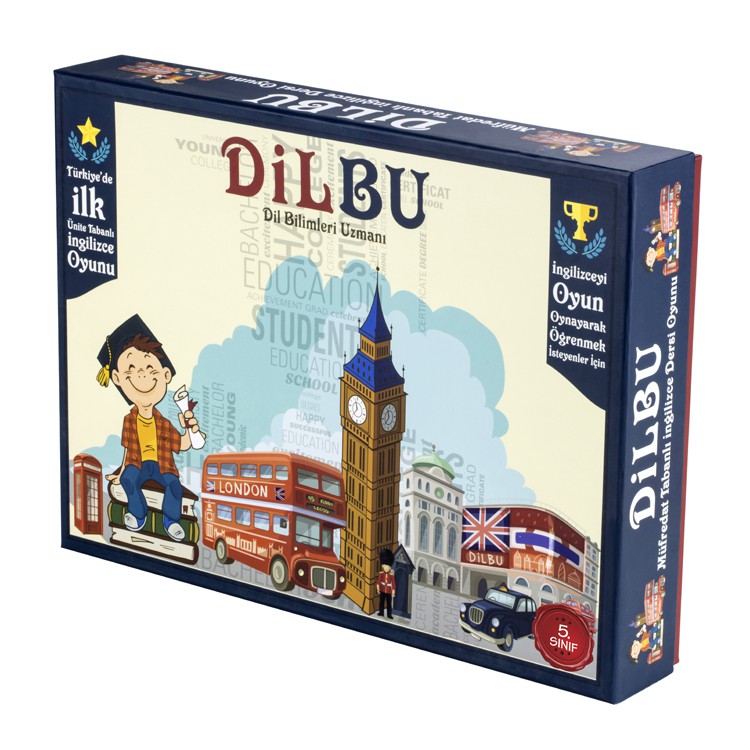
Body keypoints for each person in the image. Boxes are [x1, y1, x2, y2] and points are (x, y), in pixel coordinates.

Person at [97, 315, 202, 542]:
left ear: (165, 375)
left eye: (149, 368)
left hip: (162, 465)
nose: (142, 375)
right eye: (131, 370)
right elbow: (127, 451)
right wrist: (120, 472)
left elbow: (182, 444)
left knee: (174, 485)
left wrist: (190, 431)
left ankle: (171, 521)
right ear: (117, 378)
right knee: (128, 480)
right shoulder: (129, 420)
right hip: (137, 464)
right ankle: (138, 514)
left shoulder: (163, 423)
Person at [377, 549, 396, 619]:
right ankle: (381, 612)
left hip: (388, 591)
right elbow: (378, 582)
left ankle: (389, 614)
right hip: (382, 590)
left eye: (388, 567)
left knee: (389, 603)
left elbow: (393, 584)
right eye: (385, 566)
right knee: (381, 602)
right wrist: (378, 589)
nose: (386, 568)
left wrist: (393, 592)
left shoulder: (391, 575)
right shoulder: (381, 574)